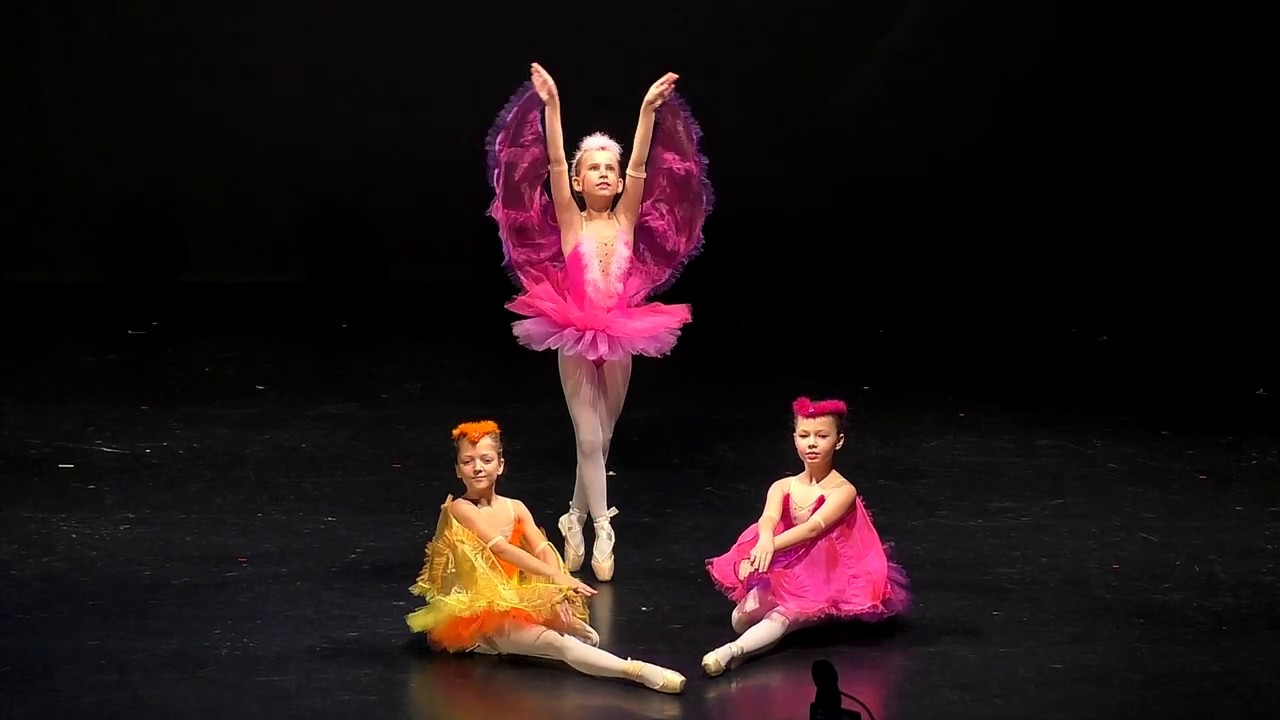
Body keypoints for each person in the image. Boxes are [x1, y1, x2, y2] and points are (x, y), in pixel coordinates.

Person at [485, 63, 713, 581]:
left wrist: (647, 110)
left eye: (611, 167)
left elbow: (641, 164)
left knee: (602, 440)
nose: (606, 173)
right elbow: (552, 161)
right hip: (572, 330)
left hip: (623, 331)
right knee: (588, 441)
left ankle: (572, 517)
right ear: (578, 179)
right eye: (594, 167)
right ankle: (603, 528)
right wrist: (552, 106)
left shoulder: (626, 217)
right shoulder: (571, 219)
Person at [406, 420, 686, 694]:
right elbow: (501, 549)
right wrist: (556, 577)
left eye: (486, 460)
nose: (477, 467)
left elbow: (543, 549)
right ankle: (637, 671)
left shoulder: (515, 507)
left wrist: (556, 590)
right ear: (458, 470)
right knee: (559, 643)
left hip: (513, 599)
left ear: (500, 465)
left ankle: (513, 645)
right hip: (478, 614)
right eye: (468, 462)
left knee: (587, 635)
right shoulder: (460, 508)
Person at [701, 398, 911, 676]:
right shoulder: (783, 485)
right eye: (804, 436)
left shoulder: (843, 491)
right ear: (795, 439)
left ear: (838, 441)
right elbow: (769, 517)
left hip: (821, 570)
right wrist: (763, 542)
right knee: (740, 620)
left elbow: (813, 528)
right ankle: (791, 623)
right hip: (789, 561)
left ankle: (731, 652)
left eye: (822, 436)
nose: (812, 443)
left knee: (782, 617)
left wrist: (771, 546)